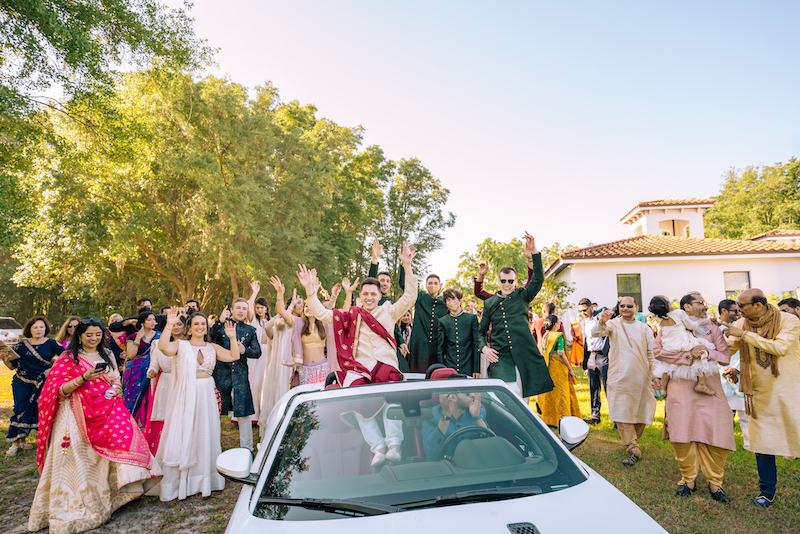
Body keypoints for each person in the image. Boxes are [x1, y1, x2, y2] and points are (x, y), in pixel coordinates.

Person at [28, 318, 161, 533]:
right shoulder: (68, 357)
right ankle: (83, 502)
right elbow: (57, 390)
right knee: (79, 455)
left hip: (106, 404)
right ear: (79, 335)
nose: (93, 339)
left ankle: (121, 490)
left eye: (98, 335)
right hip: (75, 411)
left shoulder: (107, 354)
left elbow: (116, 378)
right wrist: (83, 378)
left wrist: (117, 388)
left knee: (128, 435)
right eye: (89, 335)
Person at [297, 242, 418, 464]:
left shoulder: (389, 311)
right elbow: (323, 314)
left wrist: (407, 266)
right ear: (360, 296)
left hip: (385, 364)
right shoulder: (350, 315)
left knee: (392, 395)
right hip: (359, 368)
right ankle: (379, 448)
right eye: (366, 294)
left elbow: (410, 297)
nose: (370, 297)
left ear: (380, 295)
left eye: (374, 293)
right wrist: (309, 291)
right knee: (355, 398)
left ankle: (394, 445)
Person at [149, 310, 240, 501]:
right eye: (196, 324)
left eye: (203, 324)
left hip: (206, 392)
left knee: (206, 431)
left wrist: (232, 338)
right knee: (186, 431)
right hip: (186, 393)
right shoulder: (181, 346)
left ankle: (206, 478)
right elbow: (164, 348)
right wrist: (168, 325)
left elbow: (233, 356)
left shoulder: (212, 347)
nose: (200, 327)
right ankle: (183, 482)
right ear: (189, 327)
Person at [653, 292, 734, 502]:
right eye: (700, 302)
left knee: (718, 429)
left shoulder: (713, 328)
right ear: (687, 308)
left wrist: (705, 352)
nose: (705, 306)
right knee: (681, 432)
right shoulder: (669, 326)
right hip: (680, 387)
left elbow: (725, 357)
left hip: (710, 386)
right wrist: (688, 356)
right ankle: (688, 479)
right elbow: (658, 352)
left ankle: (716, 483)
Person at [725, 289, 800, 507]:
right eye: (738, 305)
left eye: (742, 305)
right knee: (763, 442)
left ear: (759, 305)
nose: (738, 310)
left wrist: (745, 336)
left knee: (796, 433)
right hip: (758, 391)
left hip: (788, 388)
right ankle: (767, 491)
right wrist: (711, 338)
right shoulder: (740, 325)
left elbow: (781, 347)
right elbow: (728, 350)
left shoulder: (788, 320)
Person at [479, 232, 554, 398]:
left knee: (524, 398)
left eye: (510, 281)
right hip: (501, 358)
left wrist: (534, 254)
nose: (507, 284)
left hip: (525, 354)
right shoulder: (489, 303)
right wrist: (484, 347)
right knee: (508, 396)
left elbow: (538, 279)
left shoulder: (523, 296)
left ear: (516, 282)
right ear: (498, 281)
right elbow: (480, 331)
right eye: (503, 281)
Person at [592, 297, 659, 466]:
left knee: (641, 411)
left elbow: (652, 353)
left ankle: (633, 440)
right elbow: (595, 333)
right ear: (619, 307)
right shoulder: (613, 324)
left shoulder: (644, 328)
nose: (626, 308)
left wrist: (655, 374)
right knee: (622, 411)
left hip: (640, 376)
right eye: (622, 306)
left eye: (630, 306)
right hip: (618, 375)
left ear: (636, 308)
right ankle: (633, 447)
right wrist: (602, 320)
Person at [4, 316, 64, 456]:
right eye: (35, 327)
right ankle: (16, 443)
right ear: (29, 329)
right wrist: (5, 357)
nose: (38, 330)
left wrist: (54, 363)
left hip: (43, 382)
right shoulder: (20, 346)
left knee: (41, 410)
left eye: (41, 327)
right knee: (20, 409)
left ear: (46, 329)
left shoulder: (52, 343)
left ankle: (44, 441)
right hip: (21, 381)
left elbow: (66, 358)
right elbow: (11, 366)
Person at [210, 297, 261, 450]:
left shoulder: (250, 330)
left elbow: (257, 352)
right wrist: (219, 321)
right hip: (221, 375)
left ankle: (247, 450)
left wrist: (245, 350)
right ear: (231, 310)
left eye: (244, 308)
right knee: (216, 412)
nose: (241, 311)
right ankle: (213, 448)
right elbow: (208, 339)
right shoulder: (219, 327)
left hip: (240, 375)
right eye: (238, 308)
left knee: (243, 413)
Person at [648, 295, 717, 397]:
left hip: (668, 345)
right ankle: (701, 384)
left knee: (668, 366)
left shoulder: (659, 318)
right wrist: (699, 322)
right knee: (702, 354)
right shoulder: (679, 313)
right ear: (668, 304)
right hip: (682, 342)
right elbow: (691, 326)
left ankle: (663, 389)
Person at [143, 316, 186, 455]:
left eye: (179, 324)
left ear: (186, 326)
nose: (176, 327)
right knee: (164, 417)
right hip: (165, 384)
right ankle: (160, 453)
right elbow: (154, 365)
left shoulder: (190, 344)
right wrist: (152, 372)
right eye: (173, 324)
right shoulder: (158, 344)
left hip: (184, 383)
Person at [535, 314, 580, 426]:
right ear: (555, 324)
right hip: (558, 368)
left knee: (550, 394)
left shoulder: (545, 335)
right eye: (559, 321)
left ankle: (549, 419)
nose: (560, 323)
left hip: (548, 367)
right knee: (561, 393)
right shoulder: (558, 336)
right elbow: (561, 353)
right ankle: (563, 419)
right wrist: (570, 369)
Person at [421, 389, 489, 460]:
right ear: (452, 397)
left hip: (473, 464)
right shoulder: (431, 415)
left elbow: (492, 446)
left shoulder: (478, 412)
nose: (473, 395)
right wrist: (446, 417)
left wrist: (477, 417)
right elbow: (430, 452)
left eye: (473, 392)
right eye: (467, 393)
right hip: (444, 467)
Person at [716, 299, 748, 450]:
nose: (738, 314)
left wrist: (737, 369)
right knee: (723, 414)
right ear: (723, 311)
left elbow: (747, 350)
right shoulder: (712, 327)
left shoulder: (743, 327)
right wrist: (724, 371)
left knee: (744, 413)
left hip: (740, 373)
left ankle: (749, 444)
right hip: (720, 375)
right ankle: (724, 443)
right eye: (735, 311)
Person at [437, 288, 487, 377]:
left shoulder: (471, 318)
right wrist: (442, 369)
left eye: (453, 299)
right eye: (448, 300)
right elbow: (440, 348)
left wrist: (476, 369)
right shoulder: (443, 321)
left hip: (468, 366)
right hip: (449, 366)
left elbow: (476, 344)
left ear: (460, 300)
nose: (451, 302)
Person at [124, 310, 161, 427]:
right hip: (136, 372)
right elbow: (130, 355)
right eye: (149, 320)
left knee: (151, 397)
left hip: (154, 371)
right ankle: (130, 425)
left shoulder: (160, 335)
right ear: (142, 323)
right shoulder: (133, 336)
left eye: (154, 319)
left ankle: (149, 426)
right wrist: (137, 339)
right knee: (134, 398)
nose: (153, 322)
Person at [405, 272, 447, 373]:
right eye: (430, 283)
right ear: (426, 285)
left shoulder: (445, 303)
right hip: (419, 345)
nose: (433, 285)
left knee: (435, 375)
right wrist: (406, 265)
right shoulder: (420, 297)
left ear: (440, 286)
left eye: (435, 283)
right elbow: (405, 286)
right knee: (417, 374)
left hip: (437, 347)